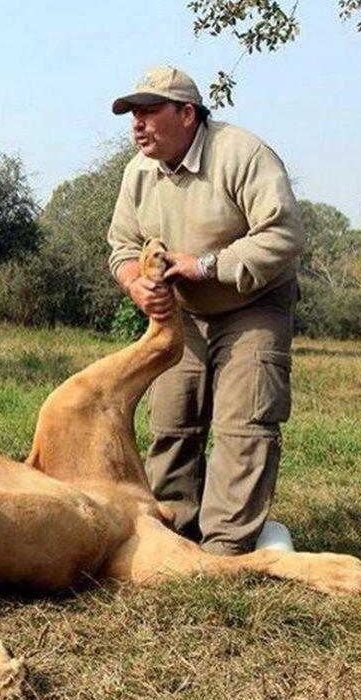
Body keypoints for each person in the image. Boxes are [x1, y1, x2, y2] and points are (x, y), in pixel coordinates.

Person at [107, 66, 304, 556]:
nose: (137, 124)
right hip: (184, 313)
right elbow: (122, 247)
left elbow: (283, 235)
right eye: (133, 114)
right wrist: (136, 284)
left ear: (187, 114)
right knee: (172, 422)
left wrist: (206, 265)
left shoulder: (241, 153)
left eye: (150, 111)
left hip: (253, 304)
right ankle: (174, 534)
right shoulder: (138, 172)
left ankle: (227, 549)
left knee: (245, 424)